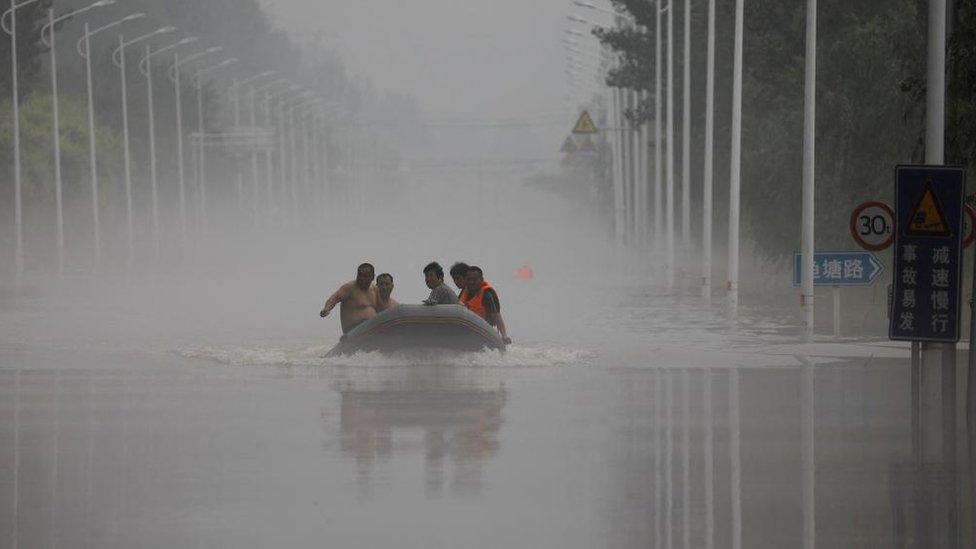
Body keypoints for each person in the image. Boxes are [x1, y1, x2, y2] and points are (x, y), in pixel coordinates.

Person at [319, 263, 378, 334]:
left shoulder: (374, 289)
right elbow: (334, 298)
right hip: (353, 332)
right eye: (360, 275)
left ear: (372, 277)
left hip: (372, 330)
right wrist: (326, 309)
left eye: (365, 276)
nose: (362, 278)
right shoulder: (349, 288)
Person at [459, 266, 511, 345]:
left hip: (484, 330)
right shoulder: (464, 292)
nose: (471, 282)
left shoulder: (487, 294)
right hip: (467, 330)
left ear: (481, 280)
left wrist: (504, 336)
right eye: (469, 279)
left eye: (474, 279)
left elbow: (497, 316)